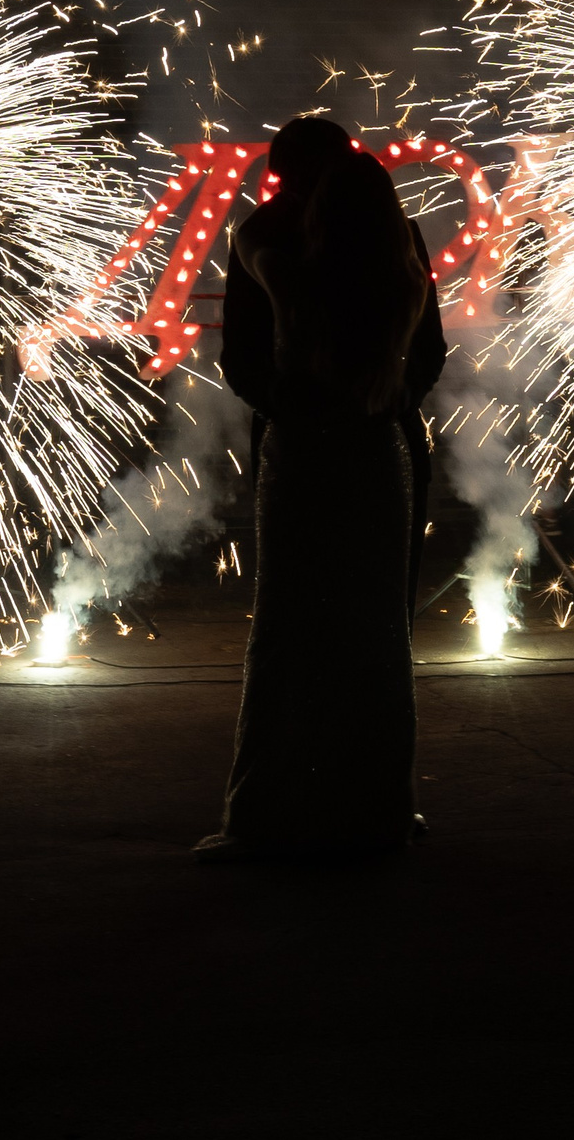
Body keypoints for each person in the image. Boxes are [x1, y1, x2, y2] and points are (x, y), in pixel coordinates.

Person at [201, 117, 446, 861]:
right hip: (373, 448)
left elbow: (241, 357)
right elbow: (427, 350)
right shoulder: (390, 231)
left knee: (294, 630)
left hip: (315, 450)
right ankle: (378, 814)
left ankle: (275, 817)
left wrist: (296, 406)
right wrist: (385, 404)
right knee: (373, 637)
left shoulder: (266, 240)